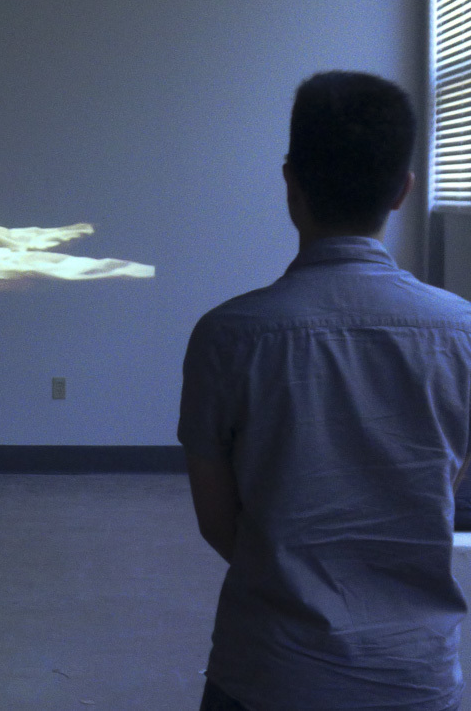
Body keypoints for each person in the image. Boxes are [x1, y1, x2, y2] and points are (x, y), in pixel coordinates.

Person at [178, 71, 471, 711]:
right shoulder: (463, 334)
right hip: (415, 680)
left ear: (291, 183)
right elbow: (441, 487)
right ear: (404, 190)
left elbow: (218, 522)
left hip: (267, 674)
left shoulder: (225, 338)